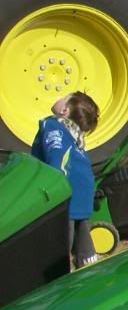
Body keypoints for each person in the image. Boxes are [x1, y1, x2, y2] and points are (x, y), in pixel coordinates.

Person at [31, 92, 100, 270]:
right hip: (83, 191)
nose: (59, 97)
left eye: (64, 97)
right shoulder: (74, 133)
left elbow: (57, 157)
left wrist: (54, 193)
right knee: (83, 239)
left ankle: (57, 277)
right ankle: (89, 269)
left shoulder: (53, 127)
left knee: (60, 247)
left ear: (64, 110)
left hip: (67, 193)